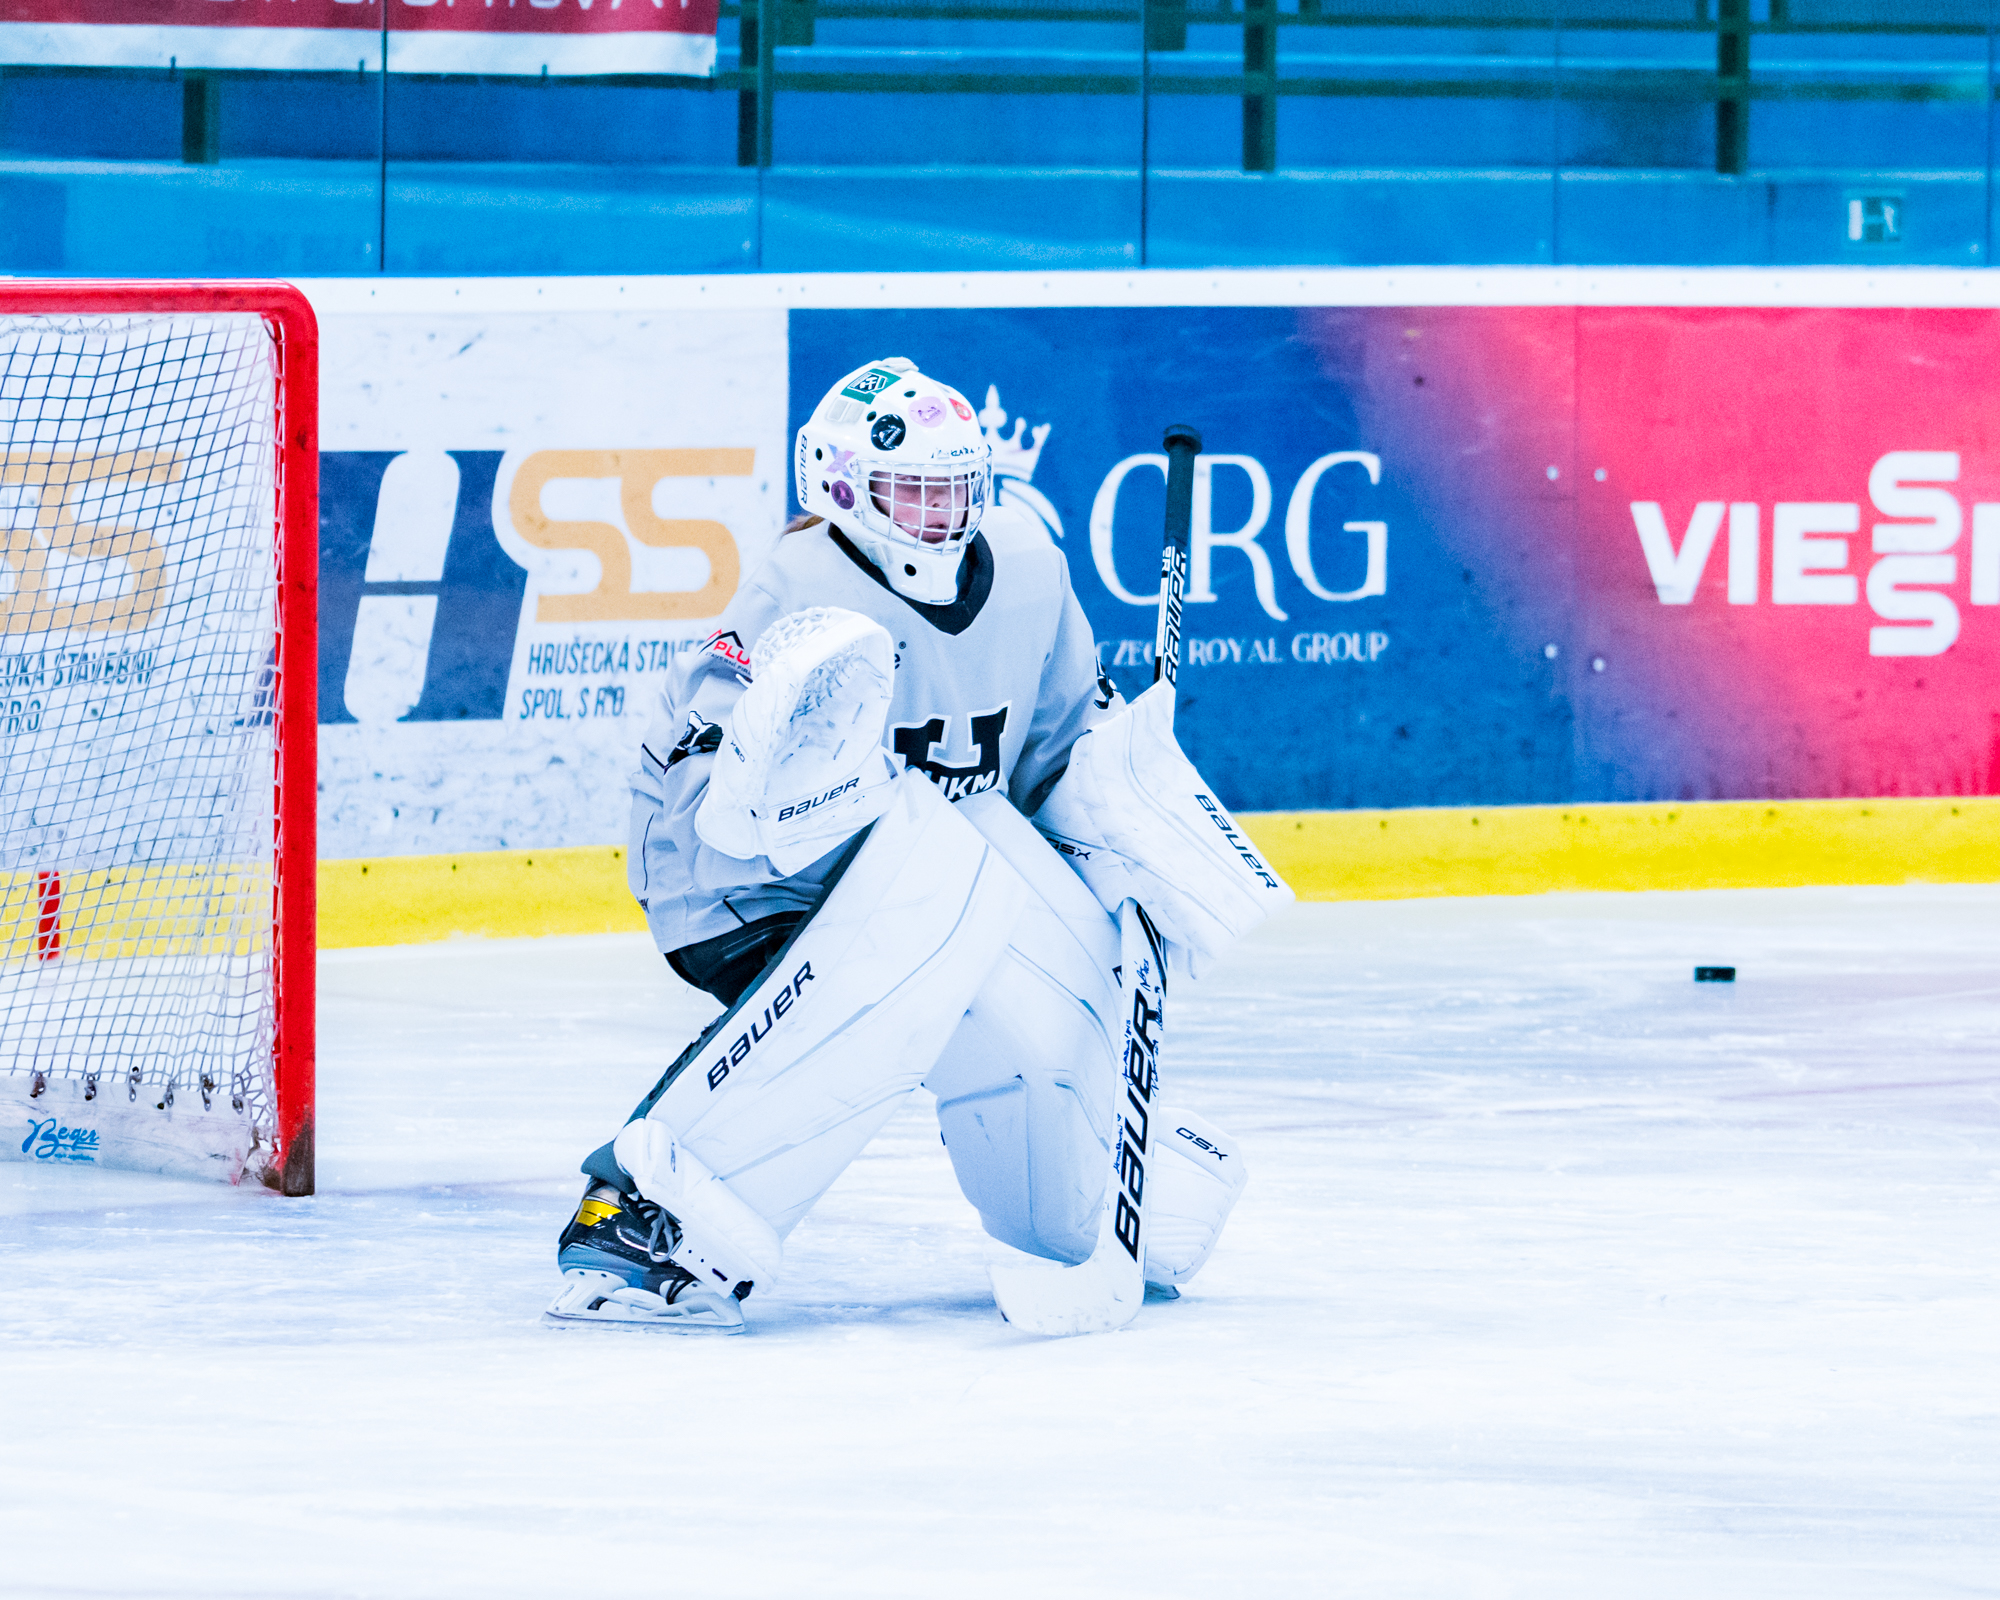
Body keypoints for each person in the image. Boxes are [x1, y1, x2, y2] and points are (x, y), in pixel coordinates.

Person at [545, 358, 1285, 1332]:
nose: (937, 516)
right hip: (744, 885)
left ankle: (1088, 1203)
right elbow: (722, 788)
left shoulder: (1026, 566)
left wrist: (1125, 823)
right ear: (841, 490)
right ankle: (648, 1215)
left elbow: (1055, 757)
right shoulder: (799, 581)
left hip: (928, 871)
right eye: (908, 491)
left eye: (953, 489)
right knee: (922, 890)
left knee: (1055, 965)